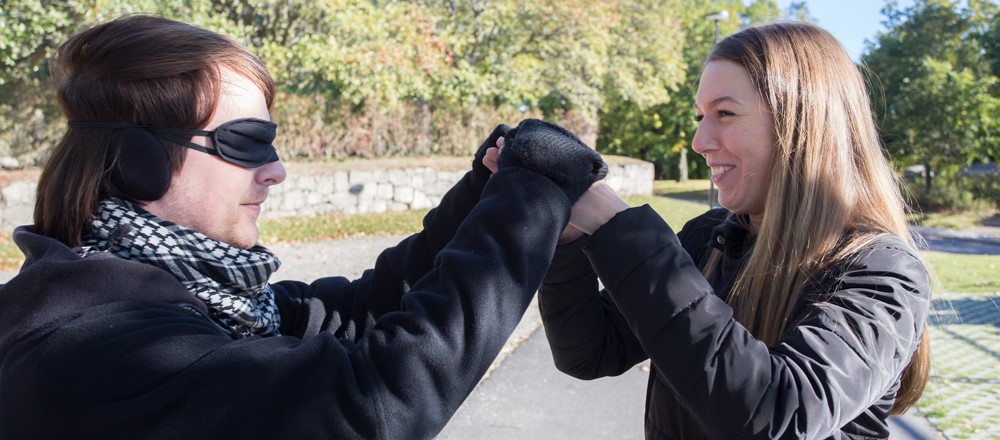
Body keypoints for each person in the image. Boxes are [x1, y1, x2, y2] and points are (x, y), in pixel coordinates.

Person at [0, 15, 609, 438]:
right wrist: (532, 195)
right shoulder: (99, 350)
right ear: (138, 160)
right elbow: (370, 403)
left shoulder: (193, 298)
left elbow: (357, 316)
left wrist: (482, 193)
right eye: (246, 143)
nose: (276, 170)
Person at [539, 22, 931, 439]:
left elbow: (778, 414)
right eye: (700, 116)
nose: (699, 140)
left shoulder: (884, 273)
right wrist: (569, 237)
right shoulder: (709, 236)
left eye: (724, 113)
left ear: (801, 125)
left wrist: (622, 230)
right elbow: (589, 352)